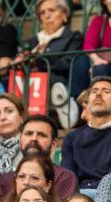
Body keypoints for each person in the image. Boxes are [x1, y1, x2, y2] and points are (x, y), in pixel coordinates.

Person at [0, 115, 78, 202]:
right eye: (28, 133)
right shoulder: (3, 180)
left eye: (41, 135)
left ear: (53, 144)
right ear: (20, 140)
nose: (34, 138)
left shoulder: (65, 177)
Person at [24, 0, 86, 128]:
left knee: (49, 80)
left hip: (58, 82)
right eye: (42, 13)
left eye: (51, 10)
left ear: (64, 13)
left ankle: (66, 107)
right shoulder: (32, 41)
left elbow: (68, 64)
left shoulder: (73, 37)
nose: (47, 15)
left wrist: (42, 59)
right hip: (31, 83)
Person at [60, 77, 111, 189]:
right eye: (94, 91)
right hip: (76, 197)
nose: (98, 94)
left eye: (106, 91)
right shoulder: (71, 138)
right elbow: (68, 178)